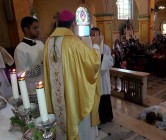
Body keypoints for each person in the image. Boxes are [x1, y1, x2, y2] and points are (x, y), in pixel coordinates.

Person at [43, 10, 102, 140]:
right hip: (73, 95)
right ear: (73, 24)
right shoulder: (74, 43)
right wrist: (96, 46)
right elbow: (93, 63)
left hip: (56, 96)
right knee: (76, 121)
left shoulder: (48, 42)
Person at [14, 16, 44, 95]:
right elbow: (22, 74)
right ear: (26, 29)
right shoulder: (20, 49)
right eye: (35, 28)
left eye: (38, 28)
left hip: (46, 86)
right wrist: (41, 66)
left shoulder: (40, 44)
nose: (38, 31)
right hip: (32, 90)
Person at [90, 27, 113, 124]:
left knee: (104, 98)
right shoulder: (88, 47)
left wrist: (102, 58)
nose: (94, 37)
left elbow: (110, 62)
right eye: (92, 35)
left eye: (96, 35)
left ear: (100, 36)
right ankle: (97, 118)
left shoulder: (106, 48)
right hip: (94, 78)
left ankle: (106, 117)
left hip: (103, 77)